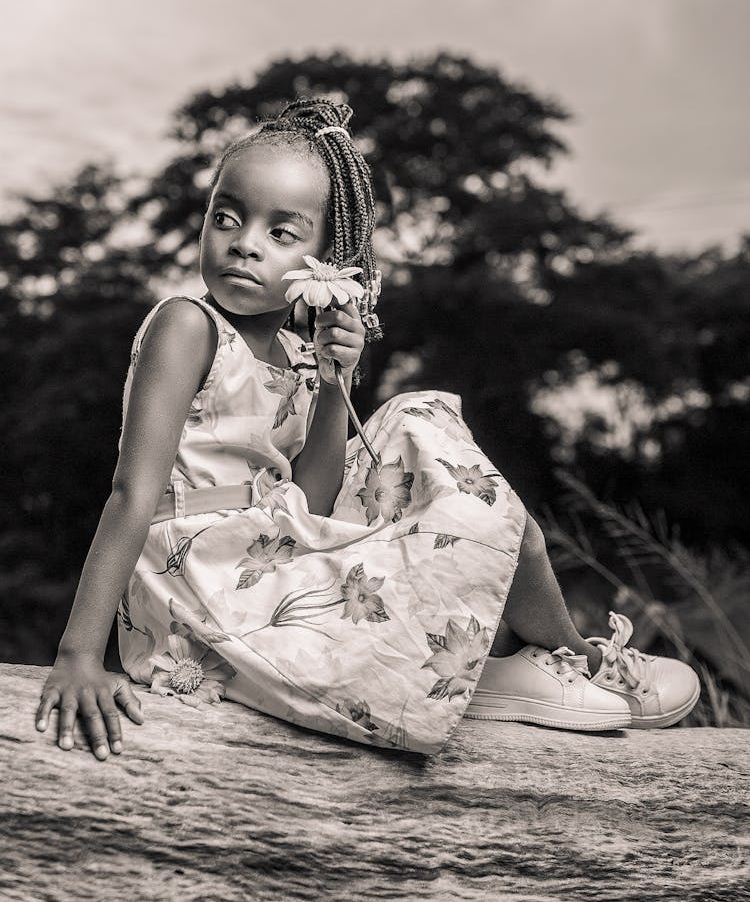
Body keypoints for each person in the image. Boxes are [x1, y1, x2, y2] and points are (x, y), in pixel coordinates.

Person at [35, 97, 700, 759]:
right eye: (227, 217)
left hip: (272, 556)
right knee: (420, 448)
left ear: (325, 258)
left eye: (281, 233)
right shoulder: (188, 325)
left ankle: (558, 659)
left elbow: (313, 501)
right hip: (197, 581)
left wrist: (333, 380)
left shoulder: (296, 355)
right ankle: (521, 669)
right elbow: (131, 491)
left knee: (423, 432)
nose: (245, 241)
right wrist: (79, 653)